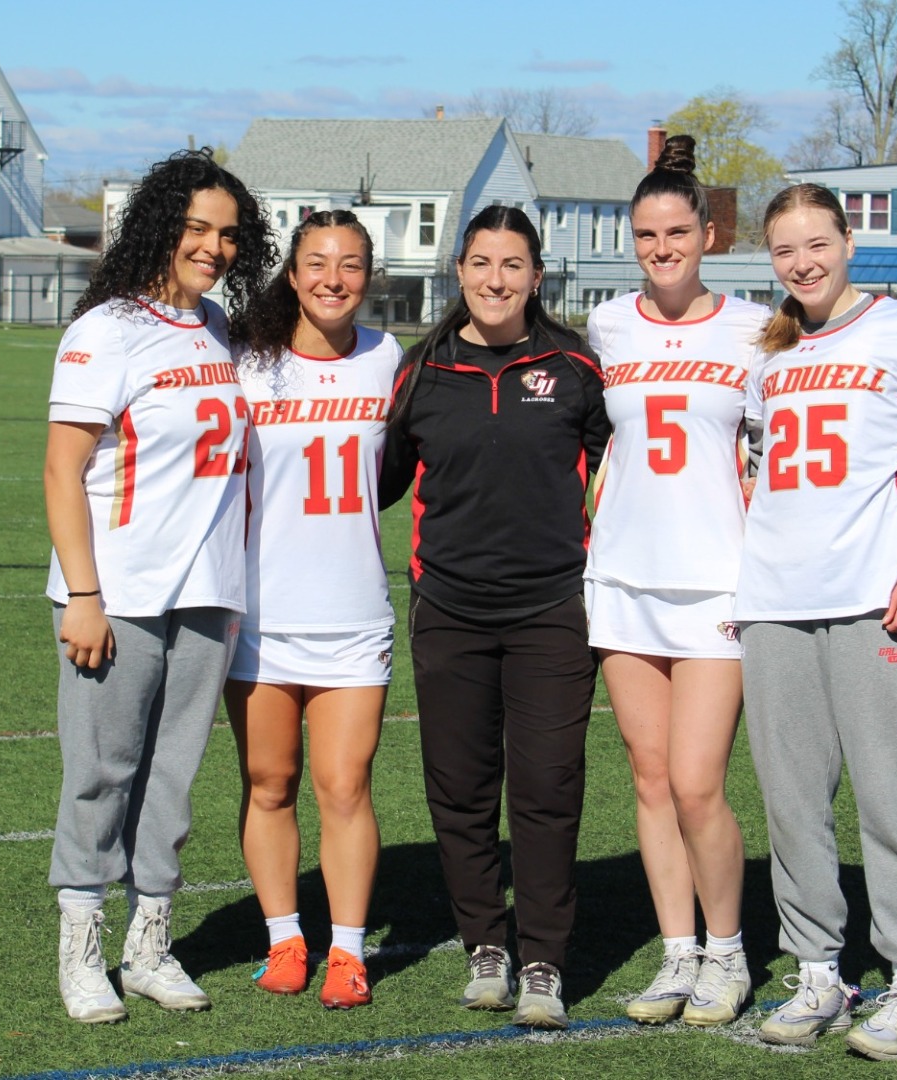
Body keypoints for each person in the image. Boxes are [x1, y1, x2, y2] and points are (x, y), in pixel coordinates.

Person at [736, 182, 897, 1060]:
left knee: (890, 795)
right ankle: (818, 970)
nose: (802, 262)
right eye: (784, 250)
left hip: (879, 597)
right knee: (793, 803)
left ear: (849, 243)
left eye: (817, 243)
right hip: (772, 605)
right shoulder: (766, 355)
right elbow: (758, 474)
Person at [42, 148, 275, 1024]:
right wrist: (85, 595)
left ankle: (150, 944)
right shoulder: (106, 329)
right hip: (120, 591)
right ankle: (81, 946)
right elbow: (62, 472)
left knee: (172, 779)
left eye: (227, 234)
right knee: (101, 773)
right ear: (159, 228)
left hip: (208, 589)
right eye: (197, 230)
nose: (213, 248)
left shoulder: (222, 328)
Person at [378, 205, 610, 1030]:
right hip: (449, 609)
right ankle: (486, 941)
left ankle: (544, 958)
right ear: (459, 271)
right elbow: (380, 481)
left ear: (537, 276)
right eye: (481, 263)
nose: (496, 280)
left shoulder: (577, 367)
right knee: (461, 789)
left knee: (547, 788)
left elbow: (625, 471)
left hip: (552, 610)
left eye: (513, 265)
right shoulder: (423, 370)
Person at [584, 135, 768, 1027]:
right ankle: (676, 955)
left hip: (717, 584)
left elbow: (779, 451)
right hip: (621, 580)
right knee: (650, 780)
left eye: (678, 232)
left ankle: (728, 955)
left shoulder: (755, 328)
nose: (663, 248)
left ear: (707, 233)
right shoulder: (607, 325)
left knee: (699, 782)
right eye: (648, 234)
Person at [225, 210, 402, 1010]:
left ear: (370, 275)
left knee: (345, 783)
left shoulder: (388, 357)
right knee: (270, 782)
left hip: (353, 611)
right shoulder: (245, 363)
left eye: (353, 264)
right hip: (259, 615)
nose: (335, 278)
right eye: (319, 263)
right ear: (292, 274)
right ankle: (285, 938)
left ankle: (348, 952)